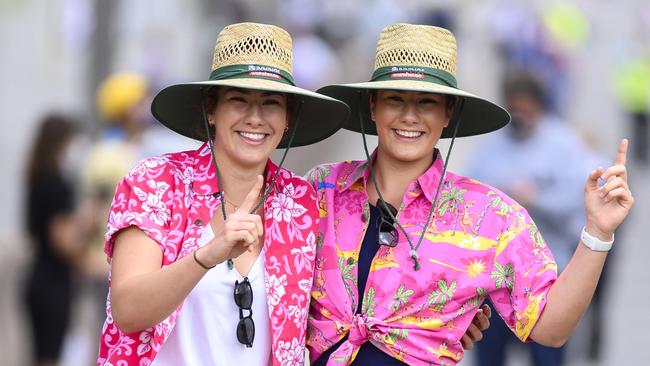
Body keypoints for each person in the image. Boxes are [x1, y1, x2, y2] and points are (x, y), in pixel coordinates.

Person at [307, 23, 634, 365]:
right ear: (372, 105)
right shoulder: (321, 190)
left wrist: (598, 232)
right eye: (395, 99)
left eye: (427, 102)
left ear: (448, 113)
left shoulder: (489, 215)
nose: (409, 115)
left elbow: (550, 328)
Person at [96, 22, 350, 365]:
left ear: (288, 117)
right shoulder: (157, 182)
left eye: (271, 103)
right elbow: (128, 310)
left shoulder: (301, 201)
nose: (255, 117)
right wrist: (206, 257)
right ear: (211, 110)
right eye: (239, 100)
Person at [468, 71, 600, 366]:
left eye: (525, 109)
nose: (520, 116)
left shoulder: (564, 144)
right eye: (513, 110)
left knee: (547, 357)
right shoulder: (490, 146)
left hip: (550, 278)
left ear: (539, 107)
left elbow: (578, 200)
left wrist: (536, 197)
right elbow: (468, 197)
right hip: (497, 280)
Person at [23, 114, 94, 366]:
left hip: (37, 279)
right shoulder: (57, 184)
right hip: (53, 285)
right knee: (50, 356)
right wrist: (87, 222)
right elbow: (64, 242)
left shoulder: (36, 178)